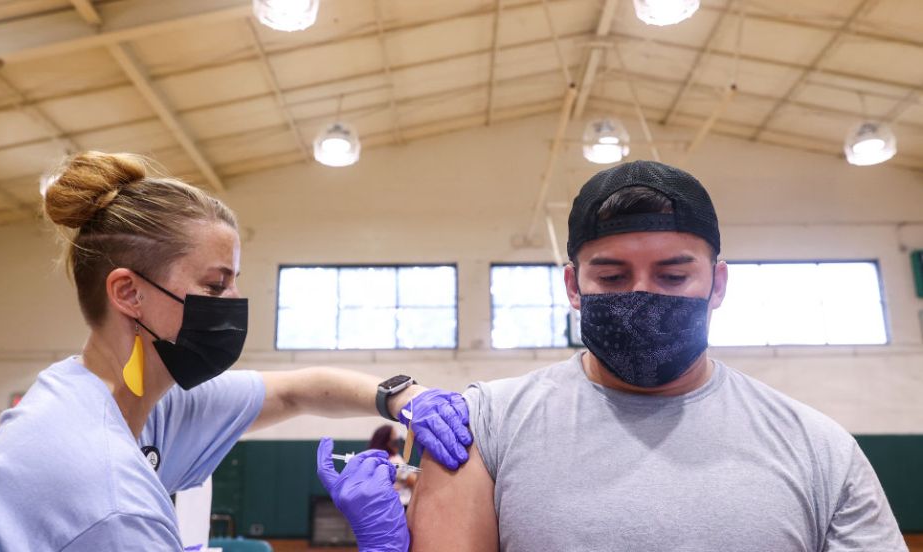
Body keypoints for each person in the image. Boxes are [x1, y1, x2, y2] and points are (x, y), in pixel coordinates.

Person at [324, 160, 908, 551]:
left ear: (719, 284)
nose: (644, 293)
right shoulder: (484, 426)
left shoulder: (819, 448)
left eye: (674, 275)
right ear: (574, 287)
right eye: (612, 274)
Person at [0, 151, 471, 551]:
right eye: (215, 286)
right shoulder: (109, 501)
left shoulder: (128, 398)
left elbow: (294, 391)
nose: (234, 305)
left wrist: (402, 396)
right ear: (129, 293)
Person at [368, 424, 417, 507]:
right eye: (394, 436)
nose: (398, 440)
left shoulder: (372, 460)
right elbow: (413, 481)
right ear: (386, 441)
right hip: (401, 505)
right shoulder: (394, 461)